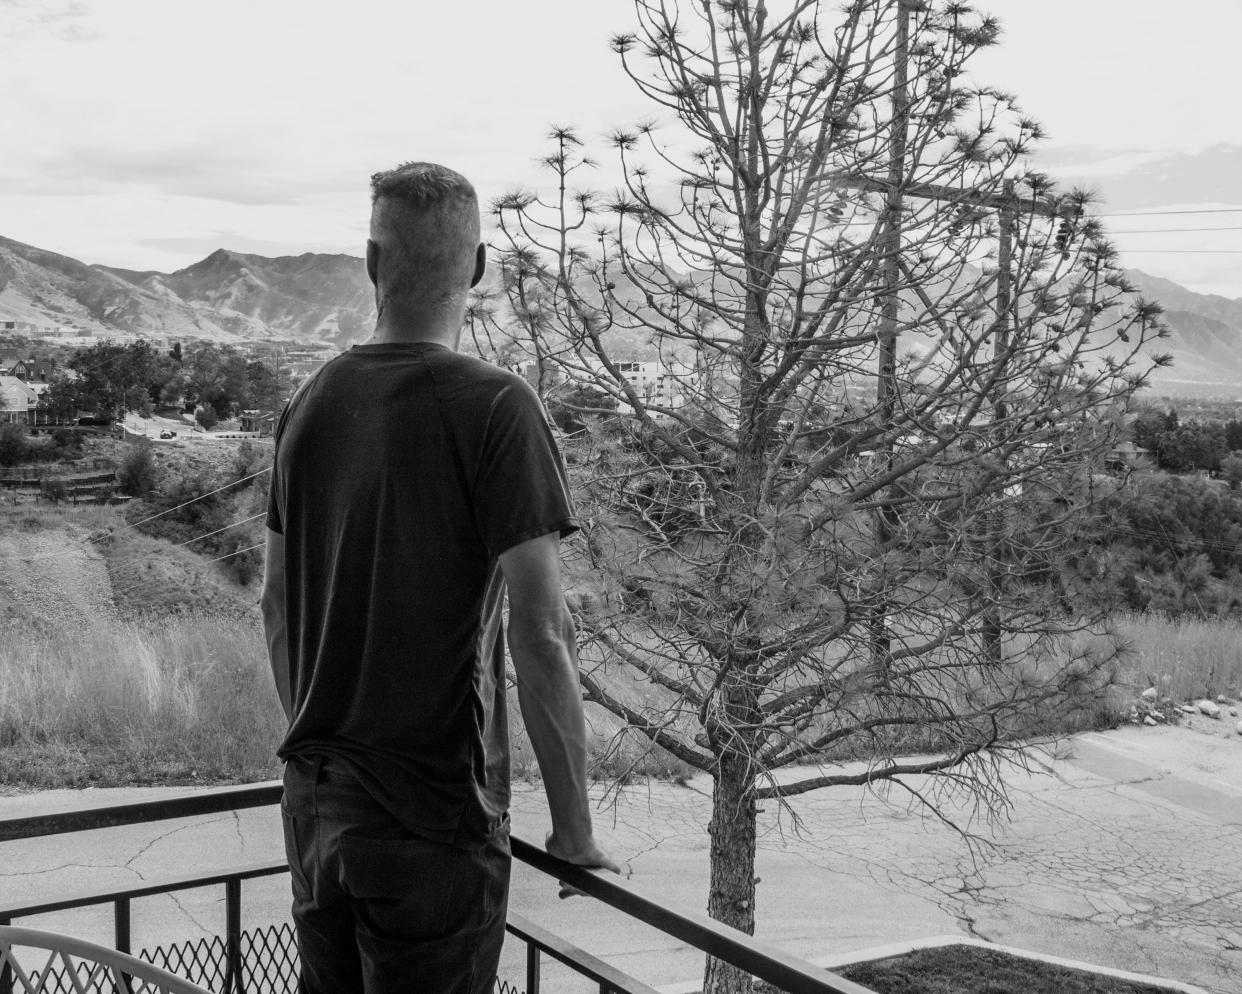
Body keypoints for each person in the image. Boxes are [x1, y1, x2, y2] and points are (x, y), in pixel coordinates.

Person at [261, 161, 617, 994]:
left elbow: (276, 605)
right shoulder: (498, 406)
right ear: (481, 268)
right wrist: (574, 831)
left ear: (373, 263)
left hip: (315, 808)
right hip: (429, 819)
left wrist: (322, 750)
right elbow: (540, 632)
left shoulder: (306, 402)